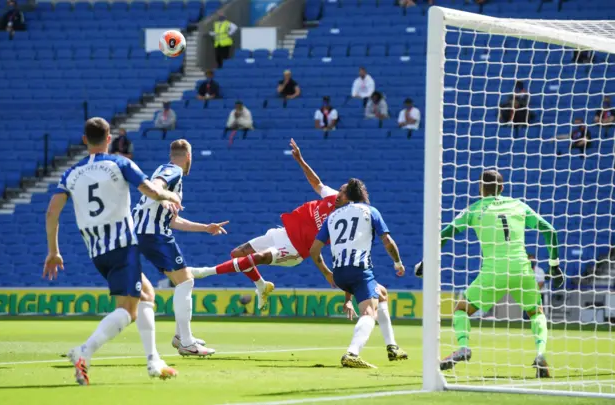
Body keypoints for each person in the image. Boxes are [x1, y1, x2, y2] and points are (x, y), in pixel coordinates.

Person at [188, 140, 409, 363]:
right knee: (238, 253)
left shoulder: (340, 218)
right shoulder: (334, 203)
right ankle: (261, 285)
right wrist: (301, 160)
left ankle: (204, 272)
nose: (338, 193)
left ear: (349, 198)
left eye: (342, 191)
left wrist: (332, 278)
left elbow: (332, 250)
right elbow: (317, 183)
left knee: (259, 258)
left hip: (295, 249)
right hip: (283, 233)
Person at [43, 117, 182, 385]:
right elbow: (150, 190)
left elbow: (52, 212)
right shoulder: (120, 163)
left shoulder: (71, 174)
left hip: (97, 251)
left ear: (85, 140)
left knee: (146, 295)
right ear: (109, 139)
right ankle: (84, 352)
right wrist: (170, 196)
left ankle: (154, 360)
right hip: (122, 245)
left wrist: (53, 251)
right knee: (128, 310)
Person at [414, 170, 564, 378]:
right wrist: (554, 265)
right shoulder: (519, 205)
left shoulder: (474, 209)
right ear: (502, 188)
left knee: (461, 309)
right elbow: (550, 230)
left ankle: (464, 347)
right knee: (536, 313)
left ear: (480, 188)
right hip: (522, 269)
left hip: (493, 271)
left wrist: (427, 260)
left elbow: (446, 233)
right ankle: (540, 354)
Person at [132, 140, 227, 357]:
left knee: (182, 281)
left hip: (148, 232)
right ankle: (185, 342)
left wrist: (206, 228)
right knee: (185, 281)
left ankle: (181, 336)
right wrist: (162, 197)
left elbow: (173, 221)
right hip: (152, 233)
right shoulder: (172, 170)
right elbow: (155, 186)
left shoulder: (173, 176)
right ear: (188, 157)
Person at [309, 178, 405, 368]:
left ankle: (392, 346)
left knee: (382, 293)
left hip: (339, 273)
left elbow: (314, 250)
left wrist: (327, 273)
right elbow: (388, 242)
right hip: (359, 270)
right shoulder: (370, 211)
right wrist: (398, 263)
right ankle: (352, 353)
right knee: (369, 312)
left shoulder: (332, 217)